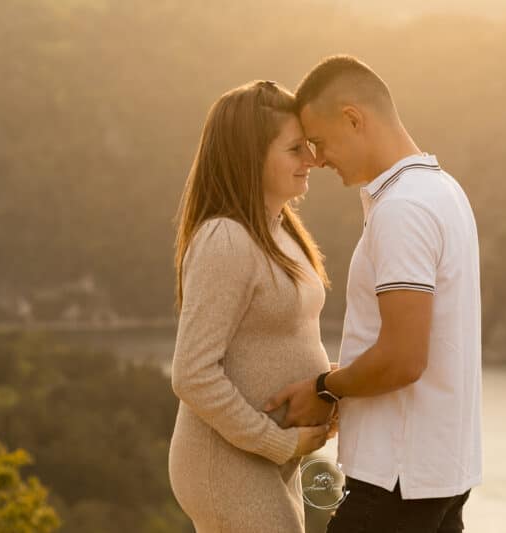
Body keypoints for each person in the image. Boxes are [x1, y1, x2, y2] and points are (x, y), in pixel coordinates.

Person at [263, 55, 483, 532]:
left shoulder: (403, 210)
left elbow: (403, 359)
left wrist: (325, 388)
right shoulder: (444, 191)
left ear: (354, 118)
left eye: (319, 142)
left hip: (395, 485)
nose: (317, 160)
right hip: (439, 479)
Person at [168, 80, 337, 533]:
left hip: (267, 457)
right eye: (295, 149)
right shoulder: (226, 239)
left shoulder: (284, 231)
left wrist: (332, 388)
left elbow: (291, 340)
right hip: (226, 460)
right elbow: (192, 373)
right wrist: (276, 442)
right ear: (251, 156)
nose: (313, 160)